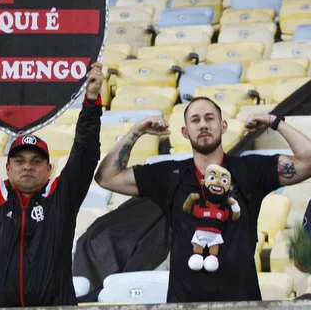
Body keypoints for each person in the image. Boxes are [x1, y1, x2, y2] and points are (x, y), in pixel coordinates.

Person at [94, 96, 311, 302]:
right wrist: (136, 131)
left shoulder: (250, 170)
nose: (203, 125)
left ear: (223, 126)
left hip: (241, 300)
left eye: (210, 118)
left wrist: (274, 122)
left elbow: (307, 161)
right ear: (185, 132)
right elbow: (107, 177)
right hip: (185, 303)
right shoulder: (168, 175)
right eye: (195, 120)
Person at [0, 62, 104, 307]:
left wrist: (91, 100)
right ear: (7, 168)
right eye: (20, 161)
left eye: (36, 161)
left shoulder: (62, 197)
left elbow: (85, 153)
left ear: (49, 169)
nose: (27, 166)